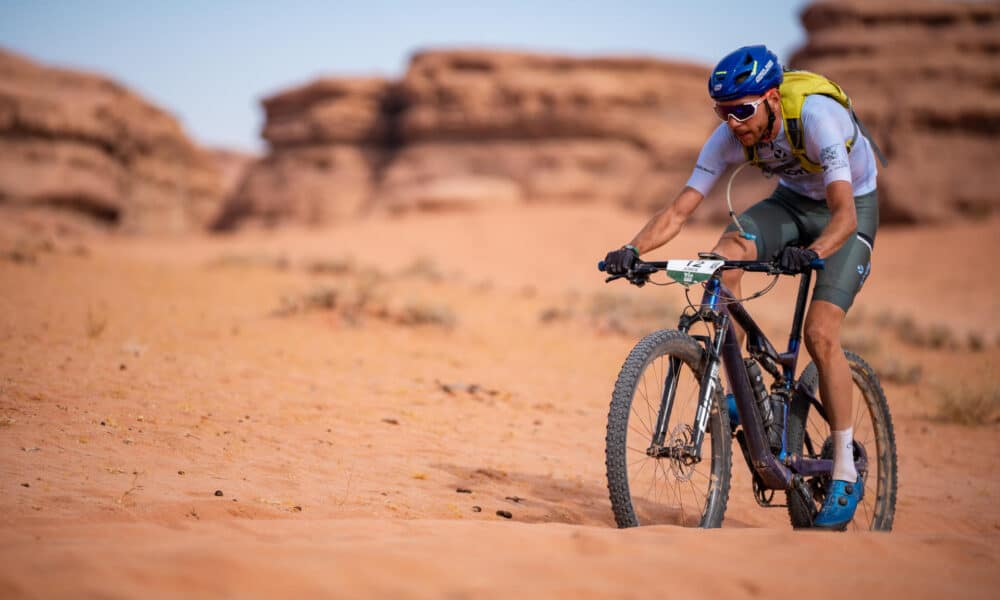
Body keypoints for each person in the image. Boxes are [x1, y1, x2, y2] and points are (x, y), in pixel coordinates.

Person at [602, 45, 880, 530]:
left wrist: (813, 252)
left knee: (820, 334)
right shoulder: (729, 136)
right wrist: (631, 249)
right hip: (791, 204)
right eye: (722, 112)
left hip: (849, 209)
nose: (733, 123)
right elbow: (678, 210)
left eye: (743, 110)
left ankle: (842, 470)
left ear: (772, 98)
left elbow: (844, 215)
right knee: (721, 259)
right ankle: (745, 382)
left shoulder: (817, 120)